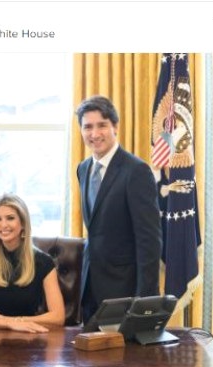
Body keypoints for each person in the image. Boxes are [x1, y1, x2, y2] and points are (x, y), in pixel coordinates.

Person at [76, 95, 162, 325]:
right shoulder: (83, 169)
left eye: (102, 125)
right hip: (89, 288)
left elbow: (149, 240)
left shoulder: (136, 171)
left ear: (115, 126)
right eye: (88, 127)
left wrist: (145, 301)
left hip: (124, 292)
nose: (95, 134)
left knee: (122, 350)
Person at [0, 193, 65, 333]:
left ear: (23, 223)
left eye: (10, 218)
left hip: (31, 337)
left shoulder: (44, 263)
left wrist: (12, 321)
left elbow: (58, 317)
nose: (3, 225)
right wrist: (8, 323)